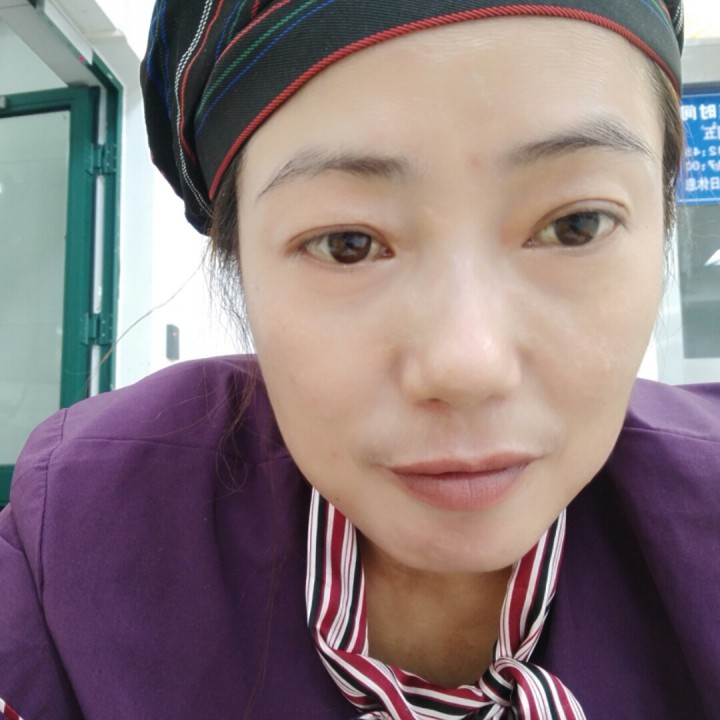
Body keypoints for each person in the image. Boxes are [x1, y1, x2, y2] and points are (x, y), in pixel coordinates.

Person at [2, 1, 718, 718]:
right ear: (238, 260)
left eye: (576, 225)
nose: (466, 366)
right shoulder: (71, 545)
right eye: (348, 244)